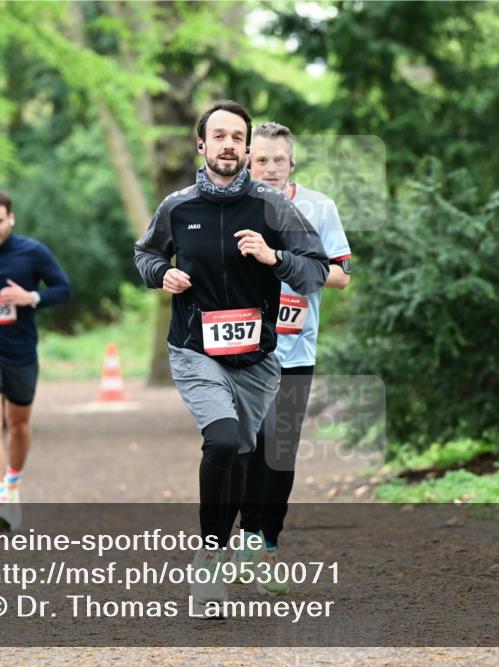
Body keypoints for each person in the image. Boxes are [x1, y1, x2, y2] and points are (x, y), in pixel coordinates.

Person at [134, 101, 329, 616]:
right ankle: (210, 564)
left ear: (246, 148)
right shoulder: (178, 206)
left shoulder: (271, 207)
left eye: (236, 137)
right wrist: (162, 274)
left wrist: (273, 258)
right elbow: (145, 253)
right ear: (201, 145)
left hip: (258, 359)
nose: (226, 144)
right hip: (196, 350)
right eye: (217, 135)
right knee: (220, 440)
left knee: (242, 452)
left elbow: (316, 270)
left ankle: (225, 545)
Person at [234, 122, 352, 595]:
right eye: (260, 160)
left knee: (279, 453)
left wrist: (279, 260)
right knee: (246, 448)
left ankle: (267, 544)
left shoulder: (318, 207)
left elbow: (341, 276)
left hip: (295, 348)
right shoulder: (231, 207)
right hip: (241, 349)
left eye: (278, 160)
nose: (269, 169)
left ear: (292, 163)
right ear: (248, 162)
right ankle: (247, 537)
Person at [0, 188, 72, 531]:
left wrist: (30, 296)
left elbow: (63, 288)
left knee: (18, 425)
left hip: (20, 351)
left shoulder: (32, 253)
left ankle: (13, 483)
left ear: (11, 218)